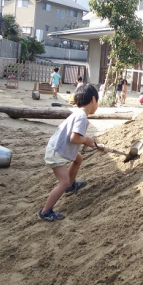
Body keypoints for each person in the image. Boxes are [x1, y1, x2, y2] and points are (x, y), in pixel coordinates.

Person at [38, 84, 100, 221]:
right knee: (63, 182)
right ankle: (45, 211)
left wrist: (87, 142)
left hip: (58, 147)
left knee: (78, 159)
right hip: (57, 152)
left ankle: (71, 186)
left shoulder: (78, 113)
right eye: (98, 102)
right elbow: (75, 137)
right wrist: (87, 140)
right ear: (94, 99)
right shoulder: (82, 117)